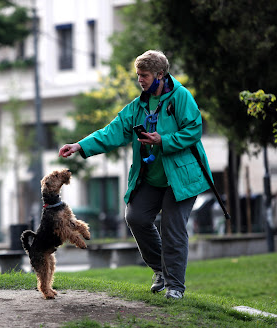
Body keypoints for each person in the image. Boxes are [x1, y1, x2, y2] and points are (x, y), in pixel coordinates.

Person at [59, 50, 212, 299]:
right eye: (138, 75)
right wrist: (80, 146)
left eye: (145, 75)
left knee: (173, 229)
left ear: (160, 75)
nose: (139, 80)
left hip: (181, 179)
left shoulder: (181, 97)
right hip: (151, 177)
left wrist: (163, 140)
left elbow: (194, 129)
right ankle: (160, 271)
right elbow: (113, 131)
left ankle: (175, 287)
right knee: (136, 217)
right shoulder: (138, 105)